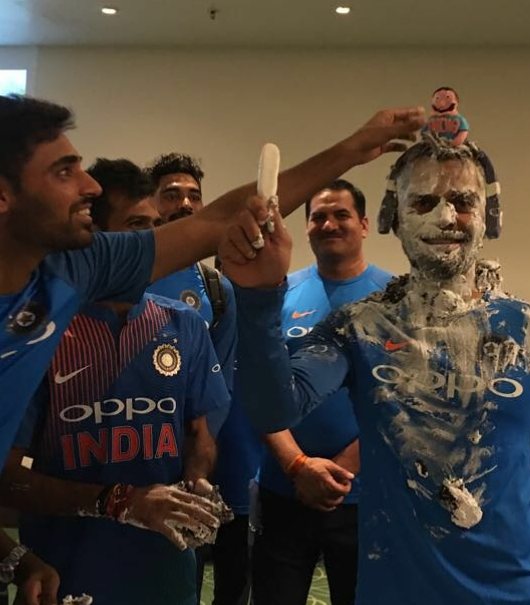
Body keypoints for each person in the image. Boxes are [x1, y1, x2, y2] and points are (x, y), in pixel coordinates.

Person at [0, 92, 424, 600]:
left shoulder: (75, 268)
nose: (88, 186)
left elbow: (216, 220)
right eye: (63, 172)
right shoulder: (70, 292)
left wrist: (353, 149)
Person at [221, 135, 530, 605]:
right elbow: (275, 408)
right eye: (423, 202)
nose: (445, 218)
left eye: (462, 201)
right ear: (394, 219)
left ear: (488, 216)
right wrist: (260, 298)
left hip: (513, 594)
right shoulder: (360, 327)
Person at [0, 159, 231, 605]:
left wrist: (196, 480)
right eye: (137, 227)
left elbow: (199, 435)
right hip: (66, 575)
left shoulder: (183, 324)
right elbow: (8, 480)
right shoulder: (41, 333)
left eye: (156, 227)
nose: (154, 242)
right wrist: (118, 501)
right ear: (96, 238)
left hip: (166, 575)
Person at [253, 180, 392, 605]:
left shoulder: (396, 299)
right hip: (285, 488)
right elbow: (258, 388)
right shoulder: (280, 293)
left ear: (364, 224)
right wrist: (298, 466)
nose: (329, 224)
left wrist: (342, 471)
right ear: (307, 227)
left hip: (366, 497)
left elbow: (406, 403)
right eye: (319, 217)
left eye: (341, 215)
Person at [146, 153, 262, 605]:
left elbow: (222, 384)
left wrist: (198, 454)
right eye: (171, 194)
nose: (185, 204)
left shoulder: (217, 287)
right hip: (137, 454)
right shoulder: (128, 274)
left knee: (210, 569)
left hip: (203, 455)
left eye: (194, 195)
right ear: (151, 203)